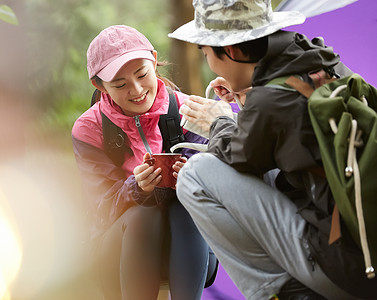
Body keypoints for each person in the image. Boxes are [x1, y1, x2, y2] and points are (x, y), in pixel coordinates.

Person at [169, 1, 377, 299]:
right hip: (361, 250)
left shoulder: (271, 102)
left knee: (195, 174)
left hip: (343, 270)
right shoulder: (319, 60)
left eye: (206, 55)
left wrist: (218, 122)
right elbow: (272, 140)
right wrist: (246, 100)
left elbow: (236, 156)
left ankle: (284, 293)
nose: (208, 64)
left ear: (232, 51)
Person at [71, 25, 217, 300]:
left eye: (142, 75)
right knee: (143, 212)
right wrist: (135, 188)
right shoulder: (89, 129)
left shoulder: (189, 111)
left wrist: (194, 178)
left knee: (185, 207)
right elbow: (98, 208)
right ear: (99, 85)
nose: (136, 90)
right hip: (118, 256)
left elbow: (219, 192)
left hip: (192, 249)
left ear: (154, 60)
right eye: (120, 84)